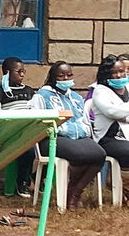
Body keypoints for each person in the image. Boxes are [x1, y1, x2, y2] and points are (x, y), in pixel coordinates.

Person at [29, 61, 106, 208]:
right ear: (53, 78)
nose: (66, 79)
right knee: (81, 156)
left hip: (78, 137)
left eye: (69, 75)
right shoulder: (42, 95)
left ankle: (75, 192)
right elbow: (36, 121)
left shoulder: (76, 97)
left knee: (100, 154)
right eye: (61, 76)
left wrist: (83, 130)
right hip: (52, 138)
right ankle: (71, 195)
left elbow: (84, 120)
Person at [0, 57, 35, 197]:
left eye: (23, 71)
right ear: (7, 72)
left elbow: (37, 108)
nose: (22, 75)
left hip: (30, 128)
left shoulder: (29, 91)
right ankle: (22, 182)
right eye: (18, 71)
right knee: (28, 149)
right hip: (10, 131)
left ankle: (38, 178)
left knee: (49, 146)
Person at [92, 54, 129, 200]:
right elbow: (111, 111)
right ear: (106, 74)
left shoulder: (127, 87)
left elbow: (119, 112)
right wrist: (121, 113)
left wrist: (123, 114)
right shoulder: (100, 90)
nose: (119, 75)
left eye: (122, 71)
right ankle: (126, 190)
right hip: (107, 139)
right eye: (115, 72)